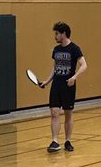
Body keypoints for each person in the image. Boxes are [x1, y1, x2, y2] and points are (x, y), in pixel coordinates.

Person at [38, 21, 88, 153]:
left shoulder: (74, 49)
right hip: (56, 86)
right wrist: (47, 81)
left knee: (68, 115)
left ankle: (67, 141)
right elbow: (55, 68)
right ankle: (55, 141)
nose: (55, 36)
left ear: (63, 34)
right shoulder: (56, 49)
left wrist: (74, 77)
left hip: (68, 86)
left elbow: (84, 65)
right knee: (54, 113)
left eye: (57, 34)